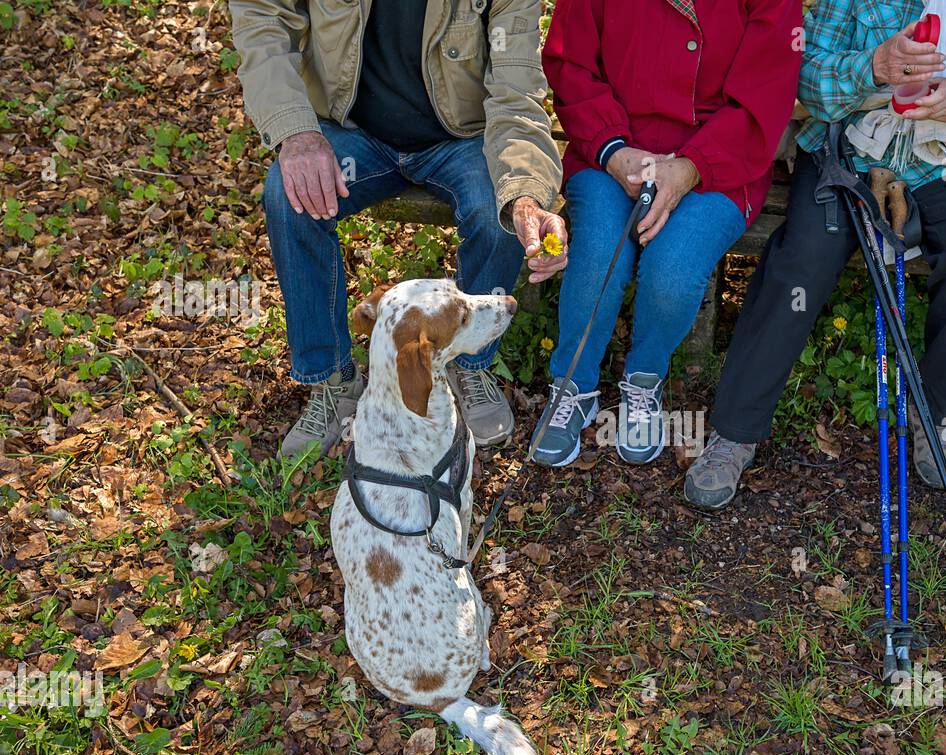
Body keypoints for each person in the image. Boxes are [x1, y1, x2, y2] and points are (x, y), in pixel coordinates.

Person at [684, 0, 946, 509]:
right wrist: (872, 68)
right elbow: (804, 77)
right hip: (850, 151)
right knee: (804, 258)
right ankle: (735, 429)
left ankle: (937, 414)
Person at [228, 0, 567, 457]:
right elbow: (263, 19)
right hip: (354, 131)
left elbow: (516, 89)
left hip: (462, 138)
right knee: (290, 200)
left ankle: (467, 362)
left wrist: (524, 194)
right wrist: (296, 133)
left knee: (499, 207)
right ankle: (332, 379)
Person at [533, 0, 803, 467]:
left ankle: (644, 377)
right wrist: (614, 150)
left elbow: (766, 93)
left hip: (720, 160)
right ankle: (572, 384)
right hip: (610, 147)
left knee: (673, 271)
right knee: (599, 253)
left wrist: (691, 167)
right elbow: (568, 61)